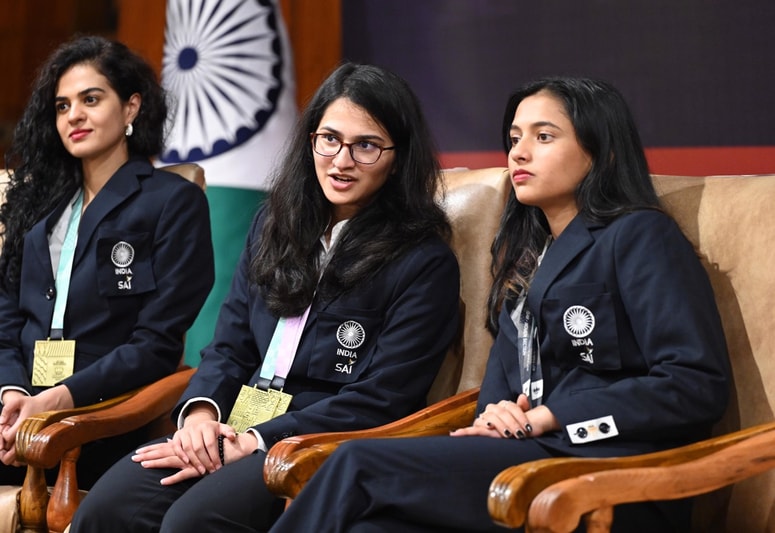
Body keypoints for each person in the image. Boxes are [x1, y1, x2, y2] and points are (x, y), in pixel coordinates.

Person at [264, 77, 733, 533]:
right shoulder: (525, 255)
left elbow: (694, 384)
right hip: (525, 456)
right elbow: (498, 393)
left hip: (612, 472)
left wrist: (551, 417)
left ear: (601, 152)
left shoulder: (639, 235)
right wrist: (497, 414)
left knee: (354, 462)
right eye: (514, 138)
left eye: (543, 136)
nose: (519, 153)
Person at [70, 62, 460, 532]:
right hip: (228, 423)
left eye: (367, 146)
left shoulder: (424, 261)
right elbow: (230, 345)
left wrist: (258, 439)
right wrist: (199, 414)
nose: (340, 161)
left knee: (191, 522)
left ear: (399, 156)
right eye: (329, 139)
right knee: (105, 509)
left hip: (313, 441)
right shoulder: (272, 226)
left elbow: (383, 398)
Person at [0, 35, 215, 488]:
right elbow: (6, 314)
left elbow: (156, 344)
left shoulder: (172, 200)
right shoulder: (38, 204)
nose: (73, 115)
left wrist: (58, 399)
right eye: (62, 106)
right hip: (19, 400)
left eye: (90, 99)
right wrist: (14, 392)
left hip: (104, 407)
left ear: (131, 108)